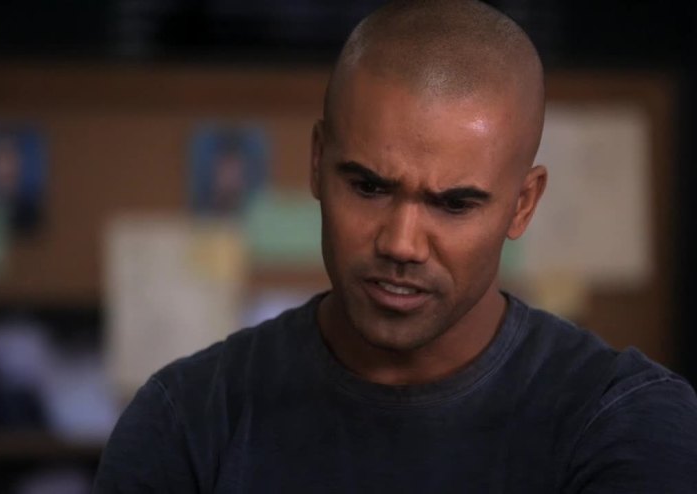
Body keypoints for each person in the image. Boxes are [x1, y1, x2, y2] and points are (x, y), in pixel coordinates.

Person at [94, 1, 697, 492]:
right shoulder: (188, 420)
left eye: (454, 204)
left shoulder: (623, 423)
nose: (402, 244)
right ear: (316, 163)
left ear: (523, 204)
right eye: (368, 187)